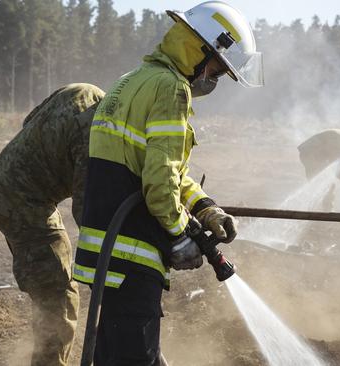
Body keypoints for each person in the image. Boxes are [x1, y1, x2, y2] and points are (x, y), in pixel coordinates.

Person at [72, 2, 263, 364]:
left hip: (108, 251)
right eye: (217, 71)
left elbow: (161, 169)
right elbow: (160, 186)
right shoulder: (172, 89)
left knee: (113, 353)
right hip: (133, 251)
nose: (214, 80)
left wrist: (205, 210)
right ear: (202, 49)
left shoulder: (133, 79)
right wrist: (179, 236)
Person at [0, 83, 105, 366]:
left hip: (6, 180)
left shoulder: (84, 90)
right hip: (24, 202)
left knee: (52, 286)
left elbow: (30, 119)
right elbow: (86, 211)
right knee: (59, 294)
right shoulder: (96, 133)